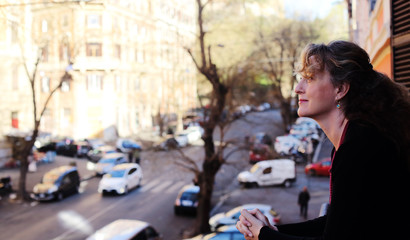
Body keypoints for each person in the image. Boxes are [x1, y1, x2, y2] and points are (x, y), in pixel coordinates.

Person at [236, 40, 410, 240]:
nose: (298, 88)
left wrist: (263, 235)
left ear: (340, 89)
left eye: (309, 78)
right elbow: (336, 222)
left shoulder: (359, 146)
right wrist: (273, 231)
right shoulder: (356, 139)